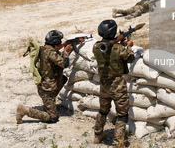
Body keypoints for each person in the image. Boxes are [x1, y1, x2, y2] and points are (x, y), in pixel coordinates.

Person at [16, 30, 83, 124]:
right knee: (52, 118)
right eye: (59, 42)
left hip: (49, 85)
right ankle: (24, 110)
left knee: (63, 78)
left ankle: (48, 105)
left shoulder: (46, 49)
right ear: (55, 42)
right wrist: (66, 51)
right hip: (47, 89)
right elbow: (64, 63)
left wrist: (69, 45)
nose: (60, 43)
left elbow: (58, 57)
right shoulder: (50, 52)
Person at [93, 20, 135, 148]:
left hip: (104, 85)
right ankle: (118, 142)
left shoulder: (96, 47)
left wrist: (119, 41)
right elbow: (130, 58)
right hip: (118, 87)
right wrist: (129, 45)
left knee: (103, 110)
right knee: (122, 115)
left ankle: (97, 134)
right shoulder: (120, 48)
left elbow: (107, 51)